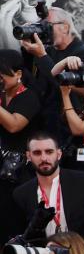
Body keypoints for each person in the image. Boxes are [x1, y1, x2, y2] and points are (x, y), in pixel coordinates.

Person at [17, 4, 84, 144]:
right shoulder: (50, 51)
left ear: (65, 27)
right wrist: (27, 51)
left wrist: (42, 56)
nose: (43, 30)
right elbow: (29, 81)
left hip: (65, 127)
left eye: (47, 25)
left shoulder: (82, 53)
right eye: (40, 25)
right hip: (43, 122)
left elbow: (62, 84)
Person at [0, 48, 40, 229]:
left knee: (12, 220)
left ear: (18, 74)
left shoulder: (29, 97)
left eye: (3, 76)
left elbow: (14, 125)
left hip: (18, 171)